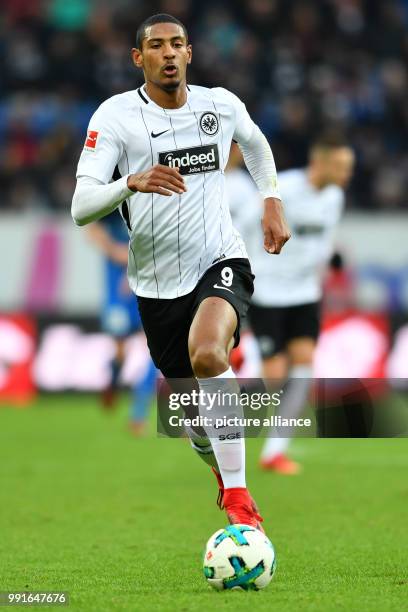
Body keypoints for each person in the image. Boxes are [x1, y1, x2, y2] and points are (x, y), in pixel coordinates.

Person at [71, 13, 290, 529]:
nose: (167, 54)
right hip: (154, 284)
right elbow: (81, 205)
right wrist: (130, 183)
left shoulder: (221, 104)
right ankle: (223, 472)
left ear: (189, 53)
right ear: (138, 58)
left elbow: (255, 144)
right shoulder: (115, 117)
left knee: (210, 352)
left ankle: (240, 499)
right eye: (155, 46)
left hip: (219, 260)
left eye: (177, 45)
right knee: (193, 422)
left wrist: (272, 199)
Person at [227, 138, 355, 474]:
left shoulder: (334, 197)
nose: (346, 174)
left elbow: (324, 241)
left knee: (303, 367)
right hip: (268, 289)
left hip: (304, 293)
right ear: (321, 163)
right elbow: (241, 226)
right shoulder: (282, 189)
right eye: (341, 167)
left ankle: (274, 451)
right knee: (273, 377)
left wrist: (331, 263)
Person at [86, 210, 156, 435]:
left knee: (156, 350)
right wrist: (113, 250)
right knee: (120, 352)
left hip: (148, 284)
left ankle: (138, 413)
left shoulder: (155, 197)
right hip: (117, 289)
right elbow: (91, 228)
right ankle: (113, 382)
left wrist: (138, 266)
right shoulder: (114, 197)